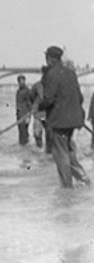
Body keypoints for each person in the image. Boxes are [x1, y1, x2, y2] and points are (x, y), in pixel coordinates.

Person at [39, 46, 90, 188]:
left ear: (49, 59)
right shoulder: (71, 73)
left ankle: (67, 188)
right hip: (74, 121)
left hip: (59, 122)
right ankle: (85, 182)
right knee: (70, 153)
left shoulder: (51, 74)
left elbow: (49, 99)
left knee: (61, 155)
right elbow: (79, 97)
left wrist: (39, 107)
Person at [30, 66, 52, 152]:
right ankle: (40, 149)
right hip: (38, 114)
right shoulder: (36, 85)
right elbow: (31, 96)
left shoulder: (52, 86)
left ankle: (48, 152)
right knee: (37, 133)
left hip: (49, 114)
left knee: (49, 135)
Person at [15, 75, 32, 145]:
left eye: (22, 81)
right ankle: (22, 148)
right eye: (20, 81)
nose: (21, 83)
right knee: (21, 132)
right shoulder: (18, 91)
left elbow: (30, 103)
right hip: (19, 114)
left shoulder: (27, 91)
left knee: (24, 132)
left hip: (25, 114)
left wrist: (29, 116)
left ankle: (25, 146)